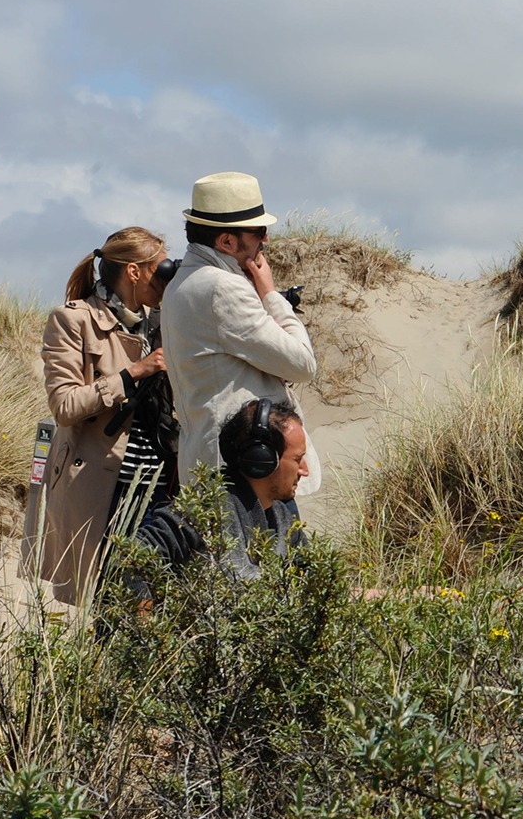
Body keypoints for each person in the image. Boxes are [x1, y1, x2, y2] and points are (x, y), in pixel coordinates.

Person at [39, 227, 176, 605]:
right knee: (124, 603)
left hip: (161, 485)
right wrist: (133, 373)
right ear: (135, 272)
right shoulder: (74, 321)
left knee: (158, 600)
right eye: (160, 268)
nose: (166, 277)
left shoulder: (161, 321)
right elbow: (64, 406)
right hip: (109, 488)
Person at [162, 171, 320, 497]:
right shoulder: (222, 287)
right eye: (259, 231)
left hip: (210, 465)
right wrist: (271, 294)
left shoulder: (180, 284)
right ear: (226, 242)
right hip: (250, 472)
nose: (266, 240)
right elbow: (302, 364)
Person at [126, 397, 311, 598]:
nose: (305, 470)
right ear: (262, 459)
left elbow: (313, 575)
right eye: (297, 459)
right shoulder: (208, 508)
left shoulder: (282, 518)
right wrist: (145, 621)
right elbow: (130, 556)